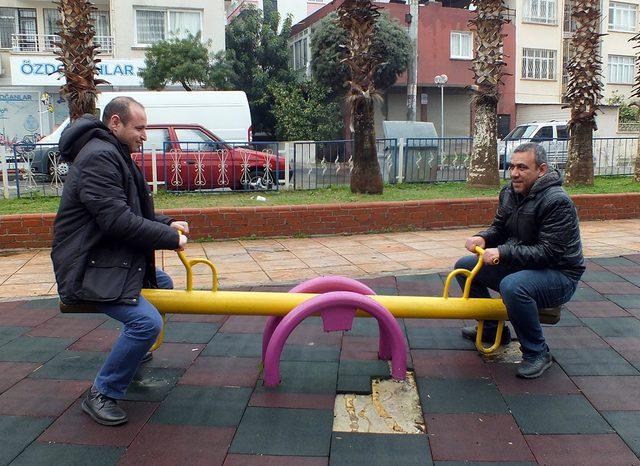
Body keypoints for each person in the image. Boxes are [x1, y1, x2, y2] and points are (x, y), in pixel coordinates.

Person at [51, 97, 189, 425]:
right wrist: (171, 239)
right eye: (139, 128)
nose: (144, 135)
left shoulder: (113, 152)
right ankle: (102, 392)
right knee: (146, 323)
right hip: (85, 266)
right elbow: (117, 221)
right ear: (115, 123)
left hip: (105, 257)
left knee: (163, 284)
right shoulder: (100, 157)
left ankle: (134, 355)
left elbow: (129, 210)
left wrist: (166, 222)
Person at [455, 142, 584, 379]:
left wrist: (503, 253)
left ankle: (537, 352)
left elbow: (550, 253)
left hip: (560, 274)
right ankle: (494, 329)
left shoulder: (557, 201)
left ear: (542, 170)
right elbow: (499, 228)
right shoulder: (510, 193)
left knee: (514, 286)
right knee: (465, 267)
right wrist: (482, 238)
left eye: (523, 167)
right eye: (512, 166)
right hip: (525, 265)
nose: (514, 173)